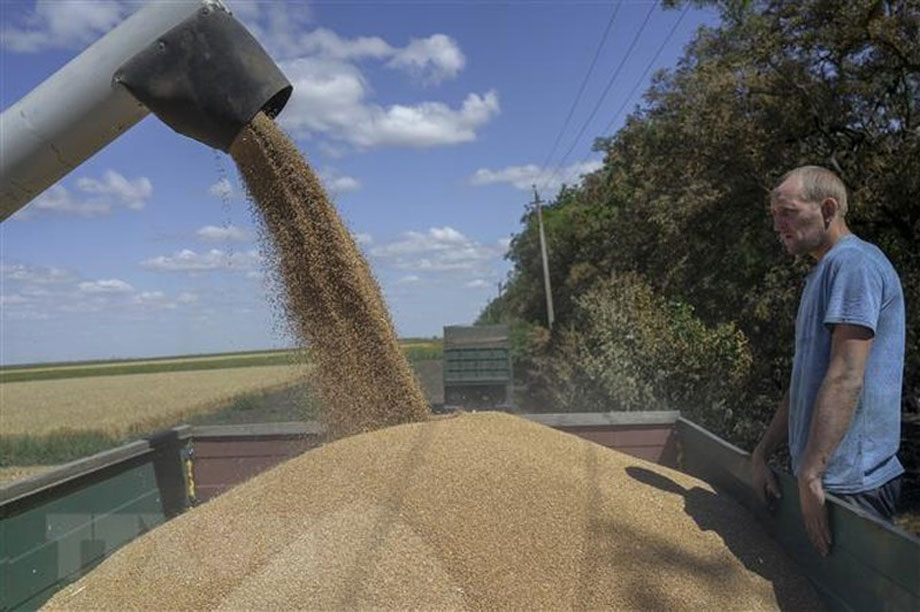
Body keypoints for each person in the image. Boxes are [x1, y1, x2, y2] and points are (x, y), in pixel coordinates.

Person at [752, 165, 905, 556]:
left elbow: (846, 376)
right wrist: (764, 450)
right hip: (823, 480)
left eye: (787, 211)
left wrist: (812, 470)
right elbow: (804, 383)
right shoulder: (822, 273)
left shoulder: (854, 264)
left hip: (853, 485)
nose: (777, 224)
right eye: (774, 215)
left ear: (828, 208)